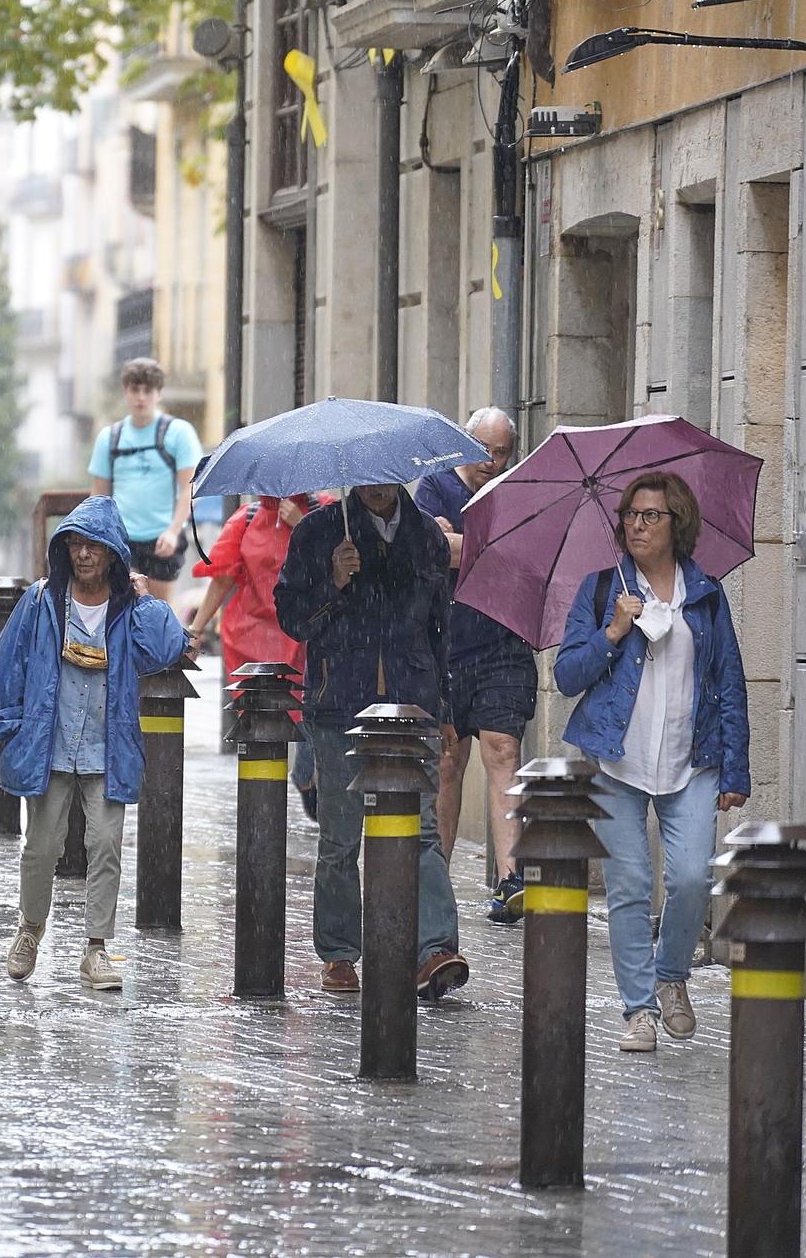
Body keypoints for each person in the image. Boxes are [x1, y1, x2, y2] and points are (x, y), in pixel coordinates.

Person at [555, 471, 749, 1054]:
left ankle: (671, 978)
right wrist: (614, 630)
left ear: (676, 524)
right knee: (630, 887)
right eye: (630, 516)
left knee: (692, 878)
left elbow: (729, 683)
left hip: (693, 761)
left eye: (650, 516)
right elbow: (567, 676)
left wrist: (735, 769)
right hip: (618, 764)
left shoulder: (707, 596)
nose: (636, 525)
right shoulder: (600, 589)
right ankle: (638, 1010)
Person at [0, 495, 189, 991]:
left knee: (106, 845)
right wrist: (6, 727)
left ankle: (96, 949)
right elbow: (9, 666)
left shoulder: (128, 608)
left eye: (94, 545)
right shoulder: (41, 601)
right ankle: (30, 928)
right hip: (50, 745)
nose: (83, 554)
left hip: (108, 746)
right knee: (40, 848)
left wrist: (143, 598)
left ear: (114, 553)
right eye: (75, 544)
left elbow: (166, 648)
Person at [275, 484, 468, 1000]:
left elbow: (439, 629)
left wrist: (444, 709)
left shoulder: (425, 534)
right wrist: (333, 581)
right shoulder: (319, 531)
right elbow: (291, 616)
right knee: (341, 836)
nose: (379, 484)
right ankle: (339, 952)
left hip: (412, 702)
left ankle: (435, 949)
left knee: (423, 831)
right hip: (339, 700)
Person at [415, 406, 537, 923]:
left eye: (502, 452)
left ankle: (511, 878)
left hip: (503, 642)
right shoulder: (433, 489)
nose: (491, 461)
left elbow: (522, 557)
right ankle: (435, 881)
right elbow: (428, 552)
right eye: (483, 449)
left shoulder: (519, 493)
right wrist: (472, 549)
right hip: (444, 644)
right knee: (447, 763)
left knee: (503, 750)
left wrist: (462, 547)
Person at [187, 492, 321, 819]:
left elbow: (340, 567)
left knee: (312, 725)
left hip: (307, 637)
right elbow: (222, 579)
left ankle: (309, 785)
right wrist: (196, 630)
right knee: (263, 735)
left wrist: (303, 526)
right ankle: (262, 823)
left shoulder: (325, 511)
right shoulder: (246, 518)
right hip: (255, 641)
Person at [88, 358, 203, 600]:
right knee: (119, 608)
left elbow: (188, 490)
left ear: (158, 393)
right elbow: (99, 496)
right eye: (135, 390)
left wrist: (173, 531)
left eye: (147, 390)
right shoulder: (110, 438)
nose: (141, 397)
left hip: (162, 538)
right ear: (126, 391)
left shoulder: (178, 433)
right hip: (122, 538)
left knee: (157, 612)